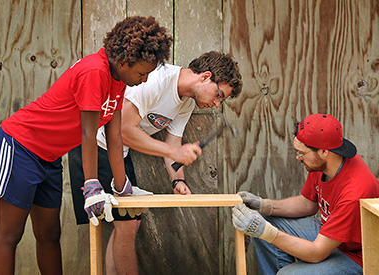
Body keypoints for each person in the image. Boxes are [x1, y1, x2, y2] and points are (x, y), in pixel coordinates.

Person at [0, 16, 172, 275]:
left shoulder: (119, 81)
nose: (145, 80)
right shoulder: (95, 71)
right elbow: (88, 133)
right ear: (124, 62)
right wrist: (92, 185)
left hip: (49, 158)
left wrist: (122, 186)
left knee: (49, 233)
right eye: (142, 73)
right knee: (10, 234)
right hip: (19, 147)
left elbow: (115, 138)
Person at [69, 51, 243, 274]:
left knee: (128, 223)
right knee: (128, 223)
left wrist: (177, 182)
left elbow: (174, 142)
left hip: (119, 154)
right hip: (94, 146)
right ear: (205, 76)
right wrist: (174, 151)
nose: (217, 103)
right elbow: (123, 130)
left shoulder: (186, 104)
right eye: (219, 94)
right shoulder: (157, 80)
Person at [232, 113, 379, 275]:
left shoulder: (354, 191)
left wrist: (265, 231)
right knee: (266, 220)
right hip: (331, 238)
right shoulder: (324, 162)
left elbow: (317, 253)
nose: (298, 157)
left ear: (324, 152)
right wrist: (265, 206)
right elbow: (307, 204)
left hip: (359, 256)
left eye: (302, 153)